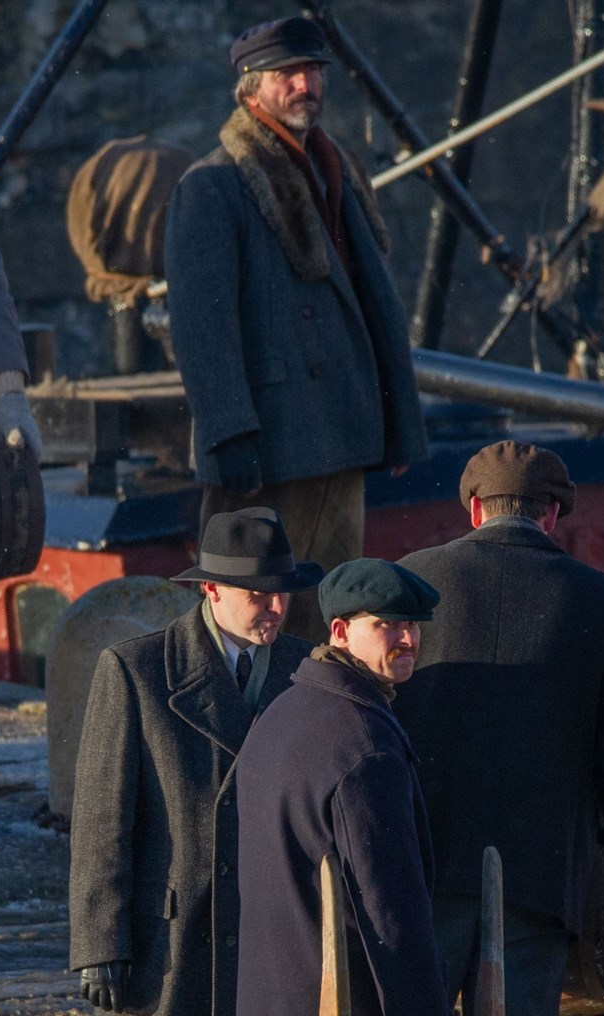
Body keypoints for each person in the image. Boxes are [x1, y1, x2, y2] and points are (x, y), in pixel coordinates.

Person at [396, 440, 604, 1016]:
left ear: (473, 511)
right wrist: (596, 825)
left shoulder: (409, 583)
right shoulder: (602, 603)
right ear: (551, 515)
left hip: (423, 867)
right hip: (538, 874)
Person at [165, 16, 428, 640]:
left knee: (326, 610)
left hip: (340, 433)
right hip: (272, 445)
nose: (306, 84)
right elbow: (203, 329)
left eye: (313, 72)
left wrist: (399, 422)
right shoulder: (214, 186)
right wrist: (230, 438)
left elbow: (374, 307)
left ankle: (311, 726)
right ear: (250, 88)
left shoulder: (332, 169)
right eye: (289, 74)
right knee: (251, 618)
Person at [67, 508, 319, 1016]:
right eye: (258, 594)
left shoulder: (308, 669)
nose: (277, 608)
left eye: (283, 592)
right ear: (210, 589)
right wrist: (99, 943)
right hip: (170, 945)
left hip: (271, 939)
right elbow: (102, 822)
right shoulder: (136, 672)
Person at [233, 559, 449, 1016]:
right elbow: (388, 908)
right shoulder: (364, 745)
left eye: (413, 625)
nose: (407, 640)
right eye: (387, 625)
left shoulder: (278, 715)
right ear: (340, 630)